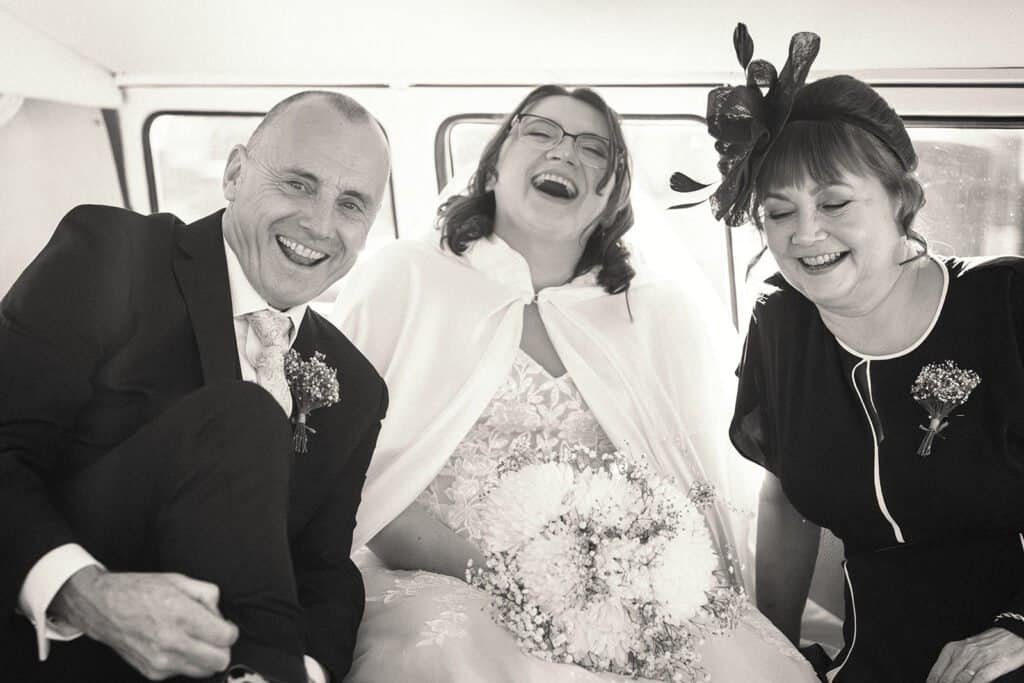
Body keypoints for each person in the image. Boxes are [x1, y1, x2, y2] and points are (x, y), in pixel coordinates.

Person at [330, 84, 817, 682]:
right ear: (492, 169)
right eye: (541, 132)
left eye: (594, 149)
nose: (566, 153)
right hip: (436, 578)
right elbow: (359, 481)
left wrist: (646, 578)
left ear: (611, 197)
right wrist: (515, 583)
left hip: (619, 589)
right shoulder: (403, 279)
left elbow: (691, 495)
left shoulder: (651, 314)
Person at [0, 90, 390, 683]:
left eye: (352, 204)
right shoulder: (113, 254)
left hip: (228, 664)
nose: (320, 224)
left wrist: (306, 670)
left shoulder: (355, 387)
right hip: (55, 647)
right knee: (243, 415)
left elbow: (323, 571)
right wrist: (85, 594)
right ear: (235, 174)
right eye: (298, 184)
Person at [704, 25, 1024, 683]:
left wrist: (1019, 630)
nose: (805, 233)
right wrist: (774, 649)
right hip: (874, 653)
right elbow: (785, 498)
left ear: (901, 201)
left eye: (835, 201)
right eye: (778, 211)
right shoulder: (779, 323)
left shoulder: (1008, 303)